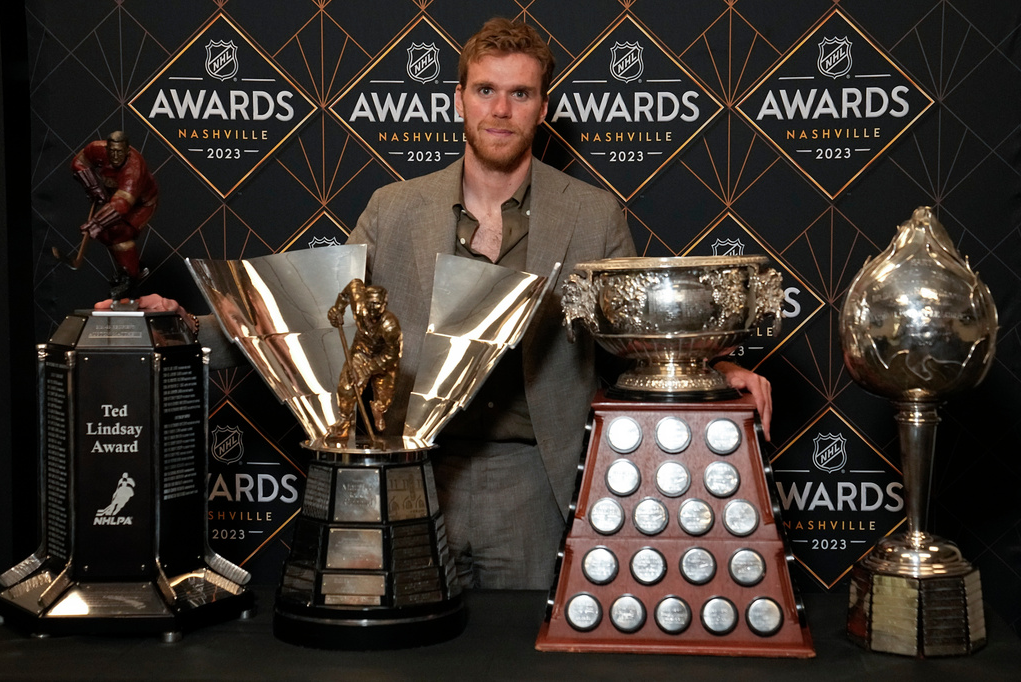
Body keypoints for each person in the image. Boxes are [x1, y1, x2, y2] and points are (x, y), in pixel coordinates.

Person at [104, 18, 771, 590]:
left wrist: (711, 376)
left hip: (536, 480)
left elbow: (627, 333)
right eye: (486, 90)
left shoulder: (592, 215)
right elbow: (316, 318)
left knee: (524, 661)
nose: (501, 109)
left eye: (519, 93)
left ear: (543, 106)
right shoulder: (394, 210)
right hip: (413, 471)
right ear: (459, 99)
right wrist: (183, 329)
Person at [71, 130, 158, 295]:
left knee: (119, 233)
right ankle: (132, 266)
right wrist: (93, 187)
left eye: (119, 152)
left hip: (141, 204)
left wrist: (96, 223)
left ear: (127, 151)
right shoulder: (97, 149)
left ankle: (131, 276)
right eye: (111, 151)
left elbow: (122, 205)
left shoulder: (135, 167)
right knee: (105, 235)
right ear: (106, 148)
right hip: (117, 199)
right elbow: (77, 163)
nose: (115, 156)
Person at [327, 278, 402, 440]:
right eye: (370, 303)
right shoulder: (360, 307)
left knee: (386, 396)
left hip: (384, 359)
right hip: (361, 352)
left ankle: (379, 410)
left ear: (384, 304)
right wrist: (337, 310)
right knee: (347, 387)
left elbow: (391, 355)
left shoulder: (390, 326)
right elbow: (352, 287)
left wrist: (367, 369)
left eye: (377, 304)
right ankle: (345, 420)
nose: (373, 308)